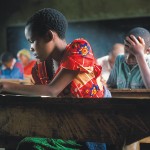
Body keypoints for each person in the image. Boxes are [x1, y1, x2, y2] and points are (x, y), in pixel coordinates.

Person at [0, 8, 111, 150]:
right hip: (63, 126)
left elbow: (52, 90)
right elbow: (42, 99)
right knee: (16, 139)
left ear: (49, 36)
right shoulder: (40, 69)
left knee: (29, 145)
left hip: (92, 130)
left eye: (32, 41)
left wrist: (6, 86)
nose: (31, 48)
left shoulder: (80, 48)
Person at [107, 27, 150, 150]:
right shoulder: (120, 60)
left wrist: (139, 55)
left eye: (134, 53)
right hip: (122, 114)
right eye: (127, 48)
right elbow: (111, 86)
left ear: (148, 51)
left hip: (143, 117)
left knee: (129, 137)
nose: (129, 57)